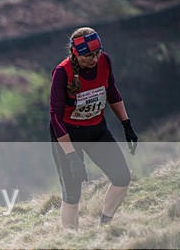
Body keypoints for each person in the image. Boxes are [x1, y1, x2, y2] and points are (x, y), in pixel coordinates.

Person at [49, 27, 138, 229]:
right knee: (72, 194)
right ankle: (72, 243)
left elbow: (112, 92)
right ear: (75, 53)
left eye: (97, 53)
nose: (95, 59)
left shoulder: (105, 61)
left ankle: (104, 225)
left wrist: (127, 124)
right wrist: (72, 157)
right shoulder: (62, 73)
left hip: (97, 131)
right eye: (89, 55)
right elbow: (55, 118)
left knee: (122, 178)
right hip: (68, 135)